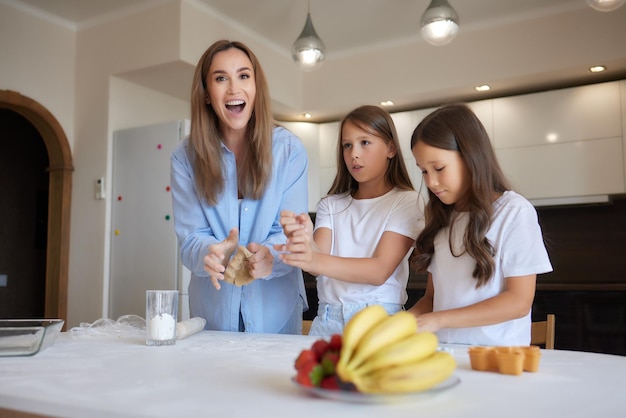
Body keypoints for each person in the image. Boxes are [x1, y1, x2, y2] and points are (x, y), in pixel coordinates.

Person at [170, 40, 309, 334]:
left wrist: (271, 256)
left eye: (244, 76)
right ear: (207, 94)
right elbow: (191, 238)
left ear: (257, 87)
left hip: (276, 313)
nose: (234, 89)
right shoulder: (185, 158)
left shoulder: (289, 152)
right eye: (221, 78)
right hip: (212, 316)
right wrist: (210, 252)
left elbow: (290, 233)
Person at [406, 103, 553, 346]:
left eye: (439, 168)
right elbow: (432, 299)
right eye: (423, 171)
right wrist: (400, 323)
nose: (431, 182)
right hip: (445, 354)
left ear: (470, 156)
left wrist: (439, 320)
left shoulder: (513, 211)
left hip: (497, 359)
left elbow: (518, 301)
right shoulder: (440, 219)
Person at [275, 105, 424, 336]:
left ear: (391, 148)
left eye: (365, 142)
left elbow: (379, 271)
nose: (354, 153)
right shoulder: (330, 204)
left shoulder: (407, 201)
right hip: (327, 321)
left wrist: (313, 258)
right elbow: (317, 262)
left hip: (380, 323)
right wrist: (303, 237)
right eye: (347, 145)